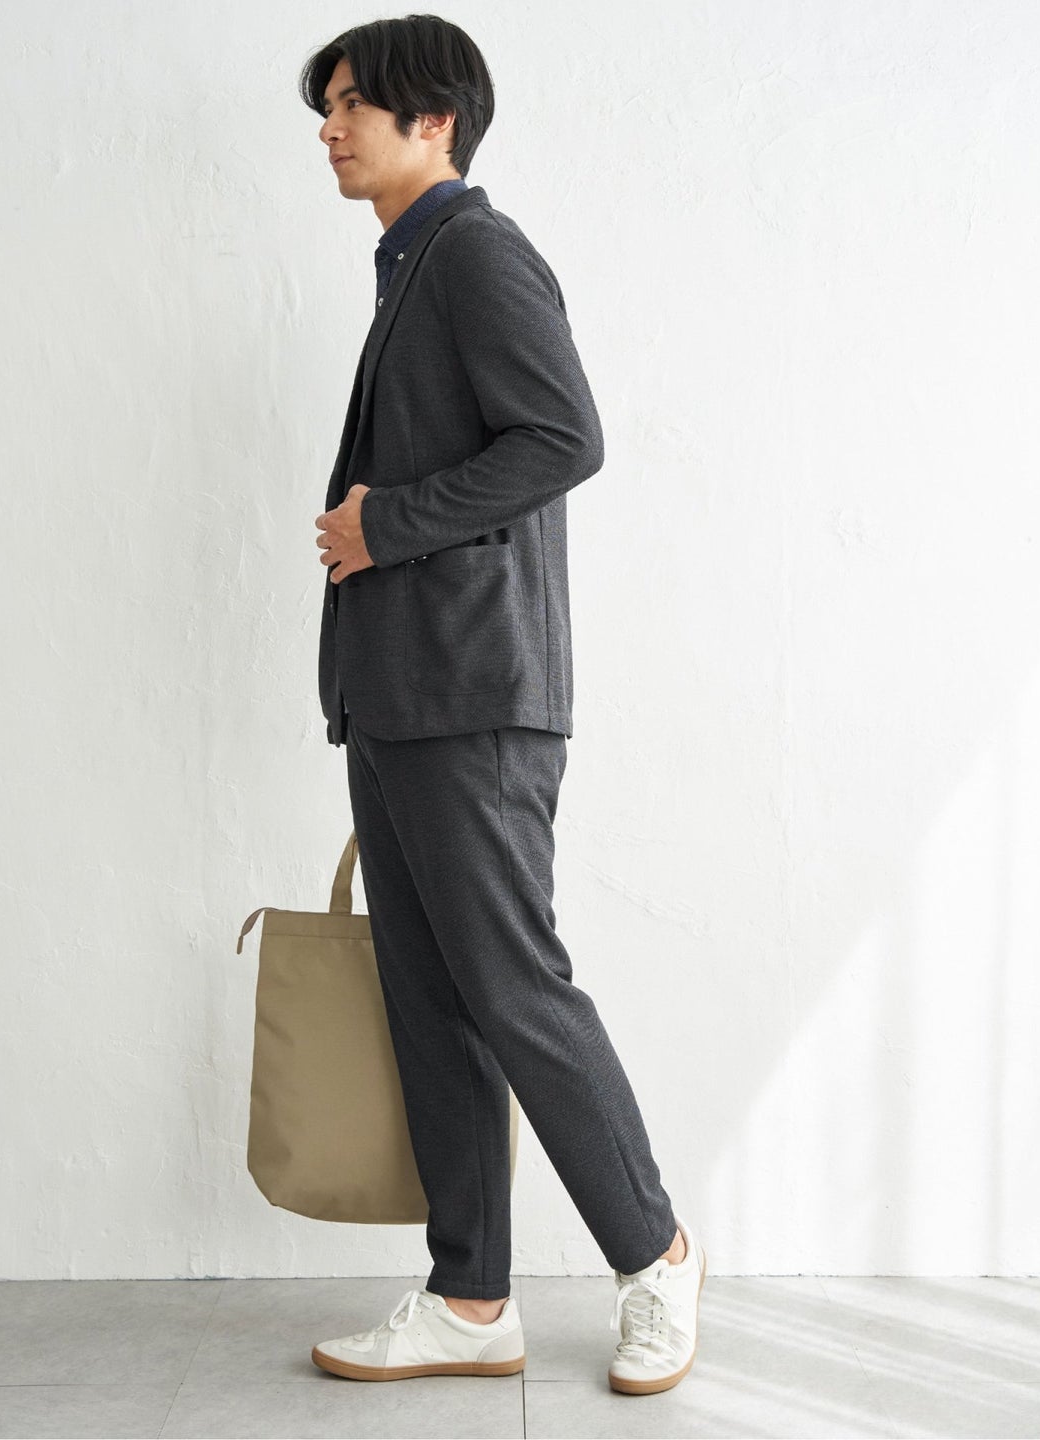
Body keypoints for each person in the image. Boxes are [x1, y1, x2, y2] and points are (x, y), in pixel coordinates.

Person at [300, 13, 707, 1396]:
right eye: (327, 107)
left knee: (516, 989)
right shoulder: (411, 265)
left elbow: (564, 437)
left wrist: (384, 523)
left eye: (353, 105)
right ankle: (471, 1298)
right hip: (403, 697)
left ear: (436, 120)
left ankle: (656, 1255)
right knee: (433, 1003)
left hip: (473, 697)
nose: (330, 129)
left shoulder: (475, 252)